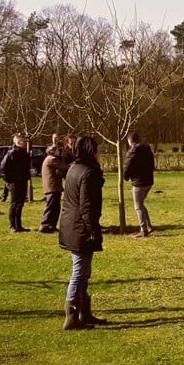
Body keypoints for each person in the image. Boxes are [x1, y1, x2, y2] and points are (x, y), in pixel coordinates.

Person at [58, 136, 108, 330]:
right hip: (79, 227)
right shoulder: (87, 173)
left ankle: (83, 312)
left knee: (84, 271)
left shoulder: (74, 169)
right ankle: (71, 316)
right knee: (79, 272)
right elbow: (86, 206)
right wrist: (93, 230)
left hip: (73, 224)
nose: (99, 153)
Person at [122, 132, 155, 238]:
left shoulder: (132, 151)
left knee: (138, 206)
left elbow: (127, 166)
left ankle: (143, 230)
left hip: (138, 182)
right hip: (148, 181)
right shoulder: (147, 149)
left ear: (129, 141)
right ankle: (148, 226)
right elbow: (152, 164)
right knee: (141, 203)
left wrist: (125, 176)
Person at [0, 133, 32, 232]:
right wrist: (9, 180)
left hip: (22, 181)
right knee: (14, 203)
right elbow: (3, 167)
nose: (25, 142)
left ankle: (19, 225)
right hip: (14, 182)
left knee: (20, 203)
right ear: (18, 142)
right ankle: (12, 225)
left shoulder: (25, 153)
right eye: (23, 141)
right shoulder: (12, 153)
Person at [39, 144, 69, 233]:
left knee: (56, 206)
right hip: (52, 187)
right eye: (57, 150)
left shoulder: (49, 159)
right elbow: (64, 167)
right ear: (52, 151)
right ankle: (45, 224)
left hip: (53, 186)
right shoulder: (52, 159)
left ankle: (51, 225)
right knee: (51, 206)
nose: (59, 152)